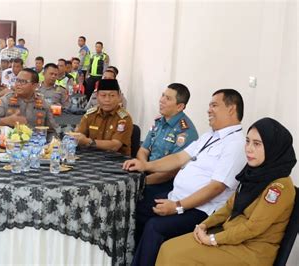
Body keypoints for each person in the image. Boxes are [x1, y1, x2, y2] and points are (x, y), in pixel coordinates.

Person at [123, 89, 247, 266]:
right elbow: (178, 158)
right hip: (176, 198)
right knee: (134, 208)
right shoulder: (209, 136)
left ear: (231, 109)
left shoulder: (235, 144)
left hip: (200, 211)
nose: (208, 110)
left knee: (155, 227)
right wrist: (146, 166)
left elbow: (216, 188)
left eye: (214, 105)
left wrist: (177, 207)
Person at [157, 117, 297, 266]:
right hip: (231, 238)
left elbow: (253, 228)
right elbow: (229, 207)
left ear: (272, 148)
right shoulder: (252, 174)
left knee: (176, 257)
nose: (249, 148)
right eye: (248, 141)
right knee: (168, 248)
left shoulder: (279, 187)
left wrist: (214, 239)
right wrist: (204, 225)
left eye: (257, 144)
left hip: (252, 251)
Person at [124, 83, 198, 242]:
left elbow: (172, 171)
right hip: (147, 174)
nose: (161, 100)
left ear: (180, 106)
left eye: (168, 98)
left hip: (167, 183)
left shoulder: (185, 132)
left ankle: (134, 251)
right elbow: (143, 150)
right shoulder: (159, 122)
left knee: (134, 207)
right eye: (163, 95)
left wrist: (143, 180)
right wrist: (143, 169)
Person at [0, 68, 58, 141]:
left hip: (35, 147)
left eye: (23, 81)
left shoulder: (44, 104)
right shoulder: (5, 100)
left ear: (35, 86)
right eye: (17, 80)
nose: (18, 84)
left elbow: (51, 131)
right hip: (9, 146)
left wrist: (51, 144)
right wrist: (6, 121)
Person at [75, 79, 133, 156]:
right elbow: (79, 135)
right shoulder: (90, 115)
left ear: (119, 97)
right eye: (103, 95)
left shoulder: (124, 118)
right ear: (97, 96)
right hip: (91, 158)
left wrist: (88, 142)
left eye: (112, 95)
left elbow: (115, 146)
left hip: (116, 161)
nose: (107, 100)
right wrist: (78, 137)